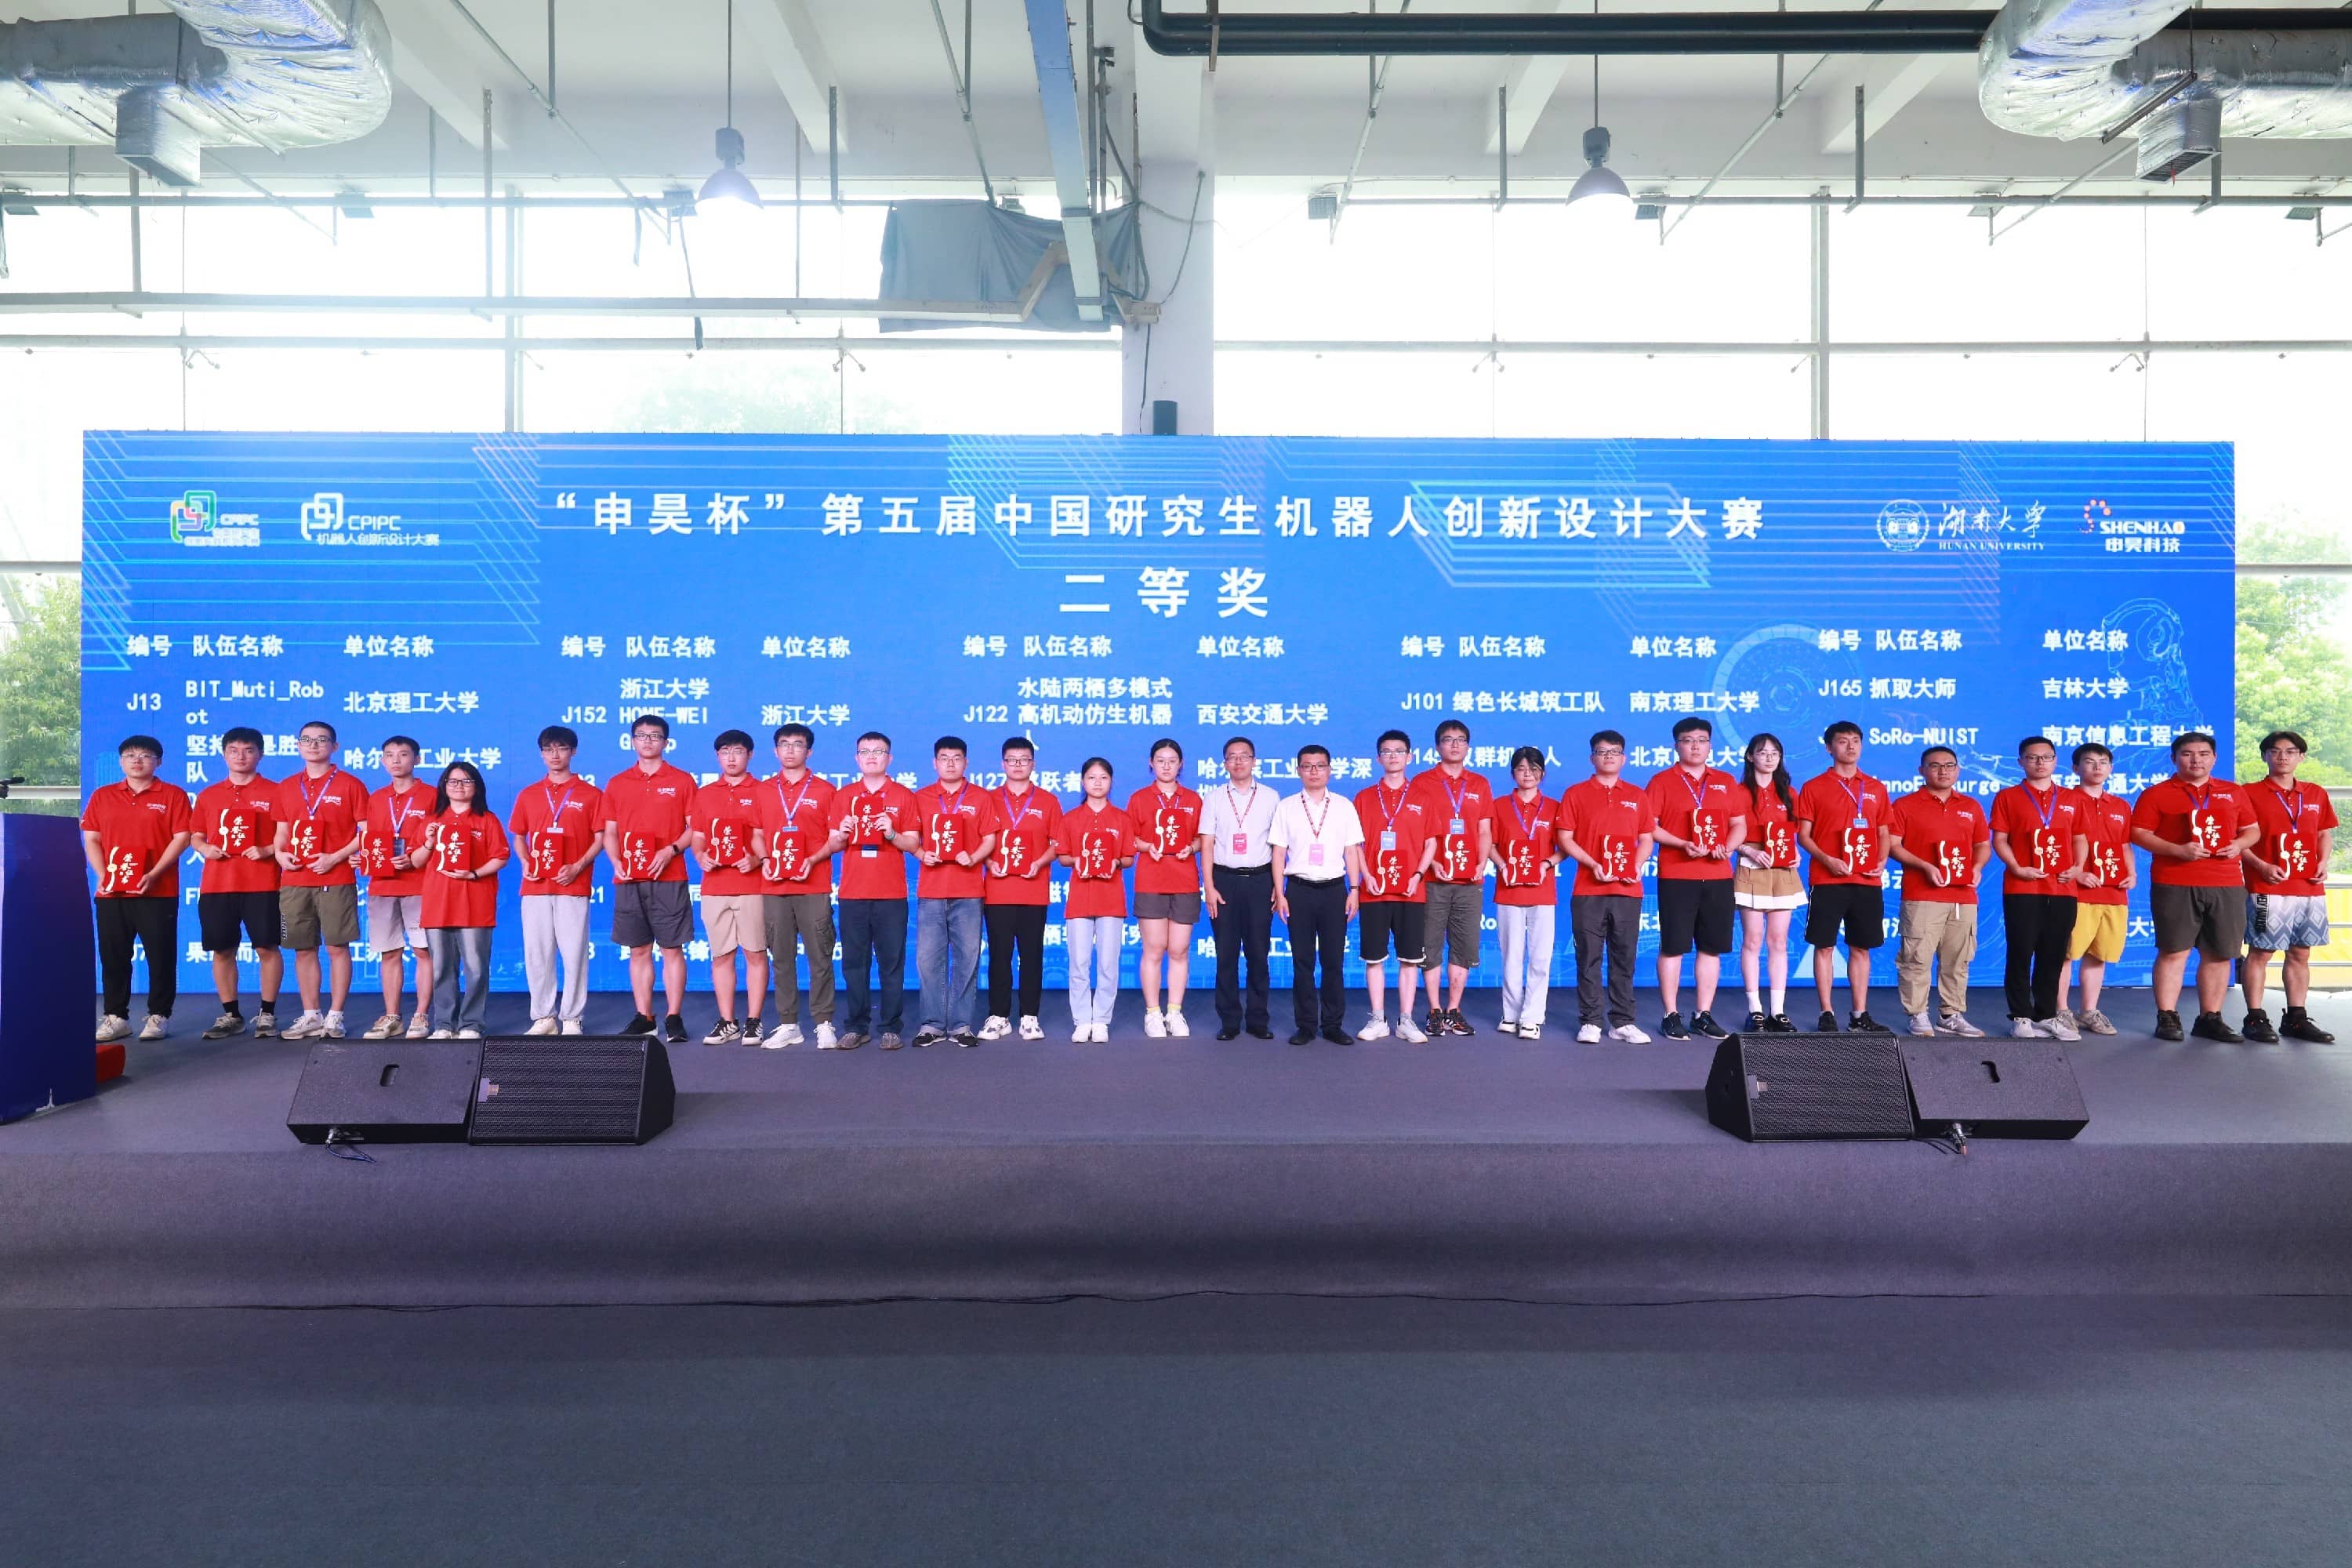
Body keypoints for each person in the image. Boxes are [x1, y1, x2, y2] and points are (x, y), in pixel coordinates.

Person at [2130, 731, 2257, 1042]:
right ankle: (2167, 1017)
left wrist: (2238, 845)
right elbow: (2139, 833)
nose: (2196, 760)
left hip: (2226, 882)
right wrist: (2177, 850)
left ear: (2214, 758)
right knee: (2174, 951)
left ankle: (2210, 1018)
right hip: (2175, 882)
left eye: (2203, 754)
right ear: (2174, 758)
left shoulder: (2233, 792)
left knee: (2219, 953)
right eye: (2187, 754)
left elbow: (2252, 830)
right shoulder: (2156, 794)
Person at [83, 735, 191, 1044]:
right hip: (111, 892)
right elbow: (92, 838)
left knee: (161, 955)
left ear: (159, 761)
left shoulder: (173, 795)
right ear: (121, 762)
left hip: (158, 891)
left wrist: (154, 874)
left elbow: (182, 837)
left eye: (145, 755)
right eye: (130, 755)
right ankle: (116, 1016)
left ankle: (159, 1015)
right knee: (113, 955)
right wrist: (104, 875)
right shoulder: (103, 796)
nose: (137, 760)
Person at [1645, 717, 1746, 1040]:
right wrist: (1682, 843)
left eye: (1702, 740)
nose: (1695, 746)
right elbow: (1650, 827)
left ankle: (1703, 1014)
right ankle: (1670, 1014)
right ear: (1676, 746)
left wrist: (1727, 847)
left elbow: (1739, 825)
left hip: (1718, 875)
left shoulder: (1726, 781)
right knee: (1673, 947)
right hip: (1678, 874)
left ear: (1710, 745)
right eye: (1688, 740)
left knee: (1711, 948)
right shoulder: (1662, 781)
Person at [601, 713, 697, 1043]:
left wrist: (671, 850)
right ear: (632, 741)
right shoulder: (617, 783)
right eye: (641, 735)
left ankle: (674, 1016)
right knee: (638, 950)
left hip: (670, 877)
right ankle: (645, 1016)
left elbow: (694, 828)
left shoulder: (682, 780)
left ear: (666, 742)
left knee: (672, 949)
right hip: (629, 879)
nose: (648, 741)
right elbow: (610, 831)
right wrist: (616, 861)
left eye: (655, 736)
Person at [2239, 729, 2338, 1044]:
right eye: (2275, 751)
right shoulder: (2248, 793)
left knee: (2300, 952)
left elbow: (2323, 834)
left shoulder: (2315, 793)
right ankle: (2255, 1018)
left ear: (2301, 757)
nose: (2283, 757)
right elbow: (2237, 840)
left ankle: (2296, 1018)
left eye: (2291, 751)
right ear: (2265, 756)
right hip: (2267, 886)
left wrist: (2323, 862)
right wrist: (2261, 866)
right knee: (2261, 951)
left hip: (2308, 886)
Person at [1884, 746, 1991, 1038]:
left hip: (1964, 896)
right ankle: (1917, 1013)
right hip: (1922, 894)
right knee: (1916, 957)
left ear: (1958, 770)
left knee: (1958, 959)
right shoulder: (1905, 805)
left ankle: (1951, 1014)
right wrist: (1925, 866)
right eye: (1935, 765)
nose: (1943, 771)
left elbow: (1982, 845)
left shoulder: (1971, 806)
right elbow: (1893, 845)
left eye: (1949, 765)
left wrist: (1977, 867)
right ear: (1921, 770)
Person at [824, 731, 921, 1051]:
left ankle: (891, 1026)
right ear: (857, 758)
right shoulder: (844, 796)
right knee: (854, 963)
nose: (871, 757)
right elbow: (833, 843)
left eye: (878, 752)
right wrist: (843, 834)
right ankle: (856, 1026)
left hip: (891, 894)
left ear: (889, 758)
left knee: (891, 963)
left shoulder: (903, 796)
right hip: (853, 892)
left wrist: (892, 833)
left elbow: (913, 844)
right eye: (865, 752)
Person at [272, 720, 369, 1041]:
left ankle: (335, 1016)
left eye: (321, 739)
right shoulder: (286, 786)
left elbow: (365, 833)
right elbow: (282, 831)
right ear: (298, 745)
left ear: (335, 746)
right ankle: (311, 1014)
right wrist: (280, 854)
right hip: (295, 879)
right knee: (303, 948)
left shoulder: (351, 785)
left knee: (337, 947)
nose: (313, 745)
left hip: (336, 876)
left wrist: (335, 857)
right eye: (307, 739)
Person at [1795, 720, 1893, 1033]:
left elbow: (1883, 832)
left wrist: (1882, 861)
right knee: (1824, 946)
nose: (1850, 746)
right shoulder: (1814, 787)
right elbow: (1804, 835)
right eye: (1842, 741)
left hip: (1866, 880)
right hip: (1828, 879)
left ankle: (1859, 1014)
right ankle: (1826, 1012)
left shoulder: (1876, 788)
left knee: (1861, 947)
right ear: (1829, 747)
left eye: (1855, 741)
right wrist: (1827, 860)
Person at [1559, 728, 1656, 1044]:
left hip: (1628, 889)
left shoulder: (1637, 795)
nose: (1609, 757)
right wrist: (1593, 864)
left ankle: (1623, 1022)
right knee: (1588, 956)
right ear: (1592, 758)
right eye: (1602, 752)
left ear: (1624, 758)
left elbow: (1647, 838)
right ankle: (1590, 1021)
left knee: (1624, 956)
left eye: (1614, 752)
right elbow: (1565, 838)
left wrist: (1636, 865)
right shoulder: (1576, 793)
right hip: (1589, 889)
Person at [507, 724, 604, 1037]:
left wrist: (578, 866)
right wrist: (525, 862)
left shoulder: (591, 794)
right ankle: (543, 1017)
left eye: (561, 748)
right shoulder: (529, 794)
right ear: (541, 754)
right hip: (535, 886)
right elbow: (519, 835)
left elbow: (601, 838)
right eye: (548, 749)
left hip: (572, 885)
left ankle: (573, 1016)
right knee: (537, 953)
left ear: (573, 751)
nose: (555, 755)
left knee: (574, 952)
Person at [1989, 735, 2087, 1041]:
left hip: (2063, 889)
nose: (2040, 763)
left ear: (2055, 761)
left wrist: (2078, 867)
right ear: (2021, 762)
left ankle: (2046, 1015)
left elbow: (2080, 838)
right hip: (2022, 887)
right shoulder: (2008, 797)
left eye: (2046, 757)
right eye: (2032, 758)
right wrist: (2016, 867)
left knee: (2053, 954)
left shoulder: (2072, 798)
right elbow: (2000, 840)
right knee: (2021, 952)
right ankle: (2021, 1016)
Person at [191, 726, 285, 1040]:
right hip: (217, 884)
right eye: (233, 750)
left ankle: (267, 1014)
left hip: (263, 883)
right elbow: (196, 835)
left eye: (248, 750)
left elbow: (288, 836)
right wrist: (204, 848)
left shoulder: (276, 792)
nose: (241, 756)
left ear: (261, 754)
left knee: (267, 947)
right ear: (224, 755)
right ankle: (231, 1014)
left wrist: (267, 850)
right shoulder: (209, 795)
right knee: (222, 950)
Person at [1270, 743, 1365, 1046]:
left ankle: (1333, 1024)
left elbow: (1352, 851)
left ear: (1329, 770)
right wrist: (1280, 893)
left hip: (1334, 890)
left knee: (1333, 961)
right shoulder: (1286, 806)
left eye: (1320, 765)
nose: (1314, 771)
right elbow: (1278, 853)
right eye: (1308, 766)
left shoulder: (1343, 806)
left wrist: (1354, 889)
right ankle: (1306, 1025)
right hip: (1298, 890)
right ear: (1298, 770)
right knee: (1303, 961)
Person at [913, 736, 999, 1047]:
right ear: (934, 763)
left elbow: (990, 839)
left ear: (966, 762)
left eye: (957, 758)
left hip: (969, 891)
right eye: (944, 758)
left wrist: (974, 857)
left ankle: (961, 1025)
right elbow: (911, 837)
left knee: (967, 960)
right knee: (928, 962)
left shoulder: (981, 797)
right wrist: (921, 853)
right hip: (932, 891)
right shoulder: (921, 797)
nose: (950, 763)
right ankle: (932, 1024)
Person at [1410, 720, 1494, 1036]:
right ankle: (1434, 1010)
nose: (1455, 745)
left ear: (1468, 746)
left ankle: (1453, 1010)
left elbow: (1484, 830)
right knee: (1430, 947)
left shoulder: (1480, 784)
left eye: (1461, 740)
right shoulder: (1422, 782)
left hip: (1470, 882)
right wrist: (1431, 864)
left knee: (1464, 947)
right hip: (1433, 881)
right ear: (1437, 746)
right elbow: (1415, 831)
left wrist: (1482, 863)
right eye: (1448, 740)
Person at [413, 760, 508, 1040]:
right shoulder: (431, 821)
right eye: (453, 781)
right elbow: (416, 861)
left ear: (476, 787)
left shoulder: (487, 820)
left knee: (476, 969)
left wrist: (474, 873)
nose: (459, 786)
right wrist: (429, 842)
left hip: (475, 904)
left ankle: (471, 1024)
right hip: (438, 905)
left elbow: (501, 856)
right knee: (442, 968)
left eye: (466, 781)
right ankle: (444, 1024)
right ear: (444, 786)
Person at [690, 729, 773, 1047]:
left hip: (752, 886)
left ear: (750, 755)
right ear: (717, 756)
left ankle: (754, 1020)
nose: (731, 758)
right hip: (714, 887)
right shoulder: (705, 793)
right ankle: (728, 1022)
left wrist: (757, 859)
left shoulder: (763, 791)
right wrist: (700, 856)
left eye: (738, 751)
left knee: (755, 953)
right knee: (721, 956)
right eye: (725, 752)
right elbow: (698, 836)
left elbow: (767, 836)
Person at [759, 723, 840, 1048]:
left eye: (798, 744)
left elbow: (837, 838)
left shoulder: (825, 790)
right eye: (784, 744)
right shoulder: (763, 790)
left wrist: (813, 859)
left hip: (813, 884)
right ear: (775, 750)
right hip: (774, 886)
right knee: (781, 957)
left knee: (820, 956)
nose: (790, 750)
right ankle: (789, 1023)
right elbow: (755, 834)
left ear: (809, 751)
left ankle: (824, 1022)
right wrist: (765, 858)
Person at [1353, 729, 1435, 1043]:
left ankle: (1406, 1020)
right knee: (1374, 957)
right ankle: (1378, 1018)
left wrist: (1417, 875)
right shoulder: (1364, 797)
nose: (1393, 756)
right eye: (1386, 751)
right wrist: (1366, 875)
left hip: (1411, 891)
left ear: (1409, 757)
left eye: (1399, 751)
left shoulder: (1423, 797)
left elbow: (1430, 843)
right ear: (1378, 758)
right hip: (1373, 891)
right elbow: (1356, 845)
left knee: (1409, 958)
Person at [981, 735, 1060, 1043]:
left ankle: (1029, 1016)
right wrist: (989, 862)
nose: (1017, 765)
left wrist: (1039, 863)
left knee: (1031, 955)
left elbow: (1058, 844)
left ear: (1033, 764)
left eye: (1024, 760)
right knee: (999, 956)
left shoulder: (1048, 801)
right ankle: (999, 1016)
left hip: (1033, 891)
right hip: (997, 891)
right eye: (1012, 760)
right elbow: (978, 841)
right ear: (1003, 764)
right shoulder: (988, 799)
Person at [1200, 735, 1279, 1041]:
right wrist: (1209, 886)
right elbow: (1207, 845)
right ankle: (1229, 1020)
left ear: (1254, 761)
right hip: (1225, 881)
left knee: (1259, 953)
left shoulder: (1271, 797)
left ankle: (1258, 1019)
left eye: (1244, 756)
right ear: (1225, 764)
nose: (1238, 761)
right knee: (1226, 954)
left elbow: (1279, 846)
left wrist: (1278, 885)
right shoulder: (1214, 797)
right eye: (1232, 757)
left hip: (1260, 880)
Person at [1127, 739, 1204, 1038]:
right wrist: (1147, 847)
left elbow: (1201, 838)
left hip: (1185, 881)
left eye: (1172, 761)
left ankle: (1174, 1011)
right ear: (1151, 763)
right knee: (1154, 948)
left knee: (1179, 949)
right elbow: (1130, 838)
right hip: (1152, 881)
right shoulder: (1139, 799)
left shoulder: (1193, 799)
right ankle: (1152, 1013)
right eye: (1161, 760)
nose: (1167, 766)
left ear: (1181, 764)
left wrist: (1191, 848)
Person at [358, 735, 434, 1041]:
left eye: (403, 754)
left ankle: (421, 1015)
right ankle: (392, 1017)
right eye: (390, 755)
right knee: (389, 952)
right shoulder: (376, 798)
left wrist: (414, 857)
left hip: (421, 884)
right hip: (382, 885)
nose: (396, 760)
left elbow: (439, 839)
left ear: (417, 759)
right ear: (382, 761)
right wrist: (361, 856)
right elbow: (369, 840)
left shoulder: (432, 796)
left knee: (424, 950)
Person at [1056, 757, 1135, 1042]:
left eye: (1103, 777)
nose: (1098, 782)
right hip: (1080, 899)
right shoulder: (1071, 818)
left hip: (1111, 898)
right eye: (1092, 777)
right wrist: (1076, 860)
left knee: (1108, 963)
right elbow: (1063, 856)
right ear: (1083, 782)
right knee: (1079, 962)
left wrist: (1115, 863)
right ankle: (1081, 1020)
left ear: (1111, 781)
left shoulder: (1122, 819)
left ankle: (1101, 1019)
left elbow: (1128, 857)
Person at [2057, 742, 2133, 1038]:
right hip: (2076, 892)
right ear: (2075, 768)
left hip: (2113, 893)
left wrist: (2131, 873)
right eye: (2089, 762)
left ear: (2111, 768)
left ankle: (2088, 1011)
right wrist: (2078, 872)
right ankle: (2060, 1010)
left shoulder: (2120, 805)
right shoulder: (2064, 801)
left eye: (2103, 762)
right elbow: (2056, 844)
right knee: (2066, 953)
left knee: (2099, 954)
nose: (2097, 767)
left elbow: (2124, 845)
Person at [1732, 732, 1806, 1033]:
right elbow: (1729, 833)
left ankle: (1778, 1011)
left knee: (1778, 941)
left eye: (1775, 753)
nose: (1769, 758)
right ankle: (1755, 1010)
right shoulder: (1738, 792)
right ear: (1750, 757)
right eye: (1762, 753)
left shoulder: (1788, 792)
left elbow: (1793, 834)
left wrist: (1795, 854)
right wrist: (1748, 850)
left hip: (1782, 870)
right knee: (1752, 940)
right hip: (1751, 866)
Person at [1488, 746, 1563, 1040]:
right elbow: (1490, 844)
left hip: (1543, 892)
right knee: (1511, 956)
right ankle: (1510, 1014)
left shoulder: (1554, 807)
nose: (1527, 774)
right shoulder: (1498, 806)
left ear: (1542, 774)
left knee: (1540, 957)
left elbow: (1565, 847)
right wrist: (1502, 865)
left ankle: (1531, 1017)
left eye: (1533, 769)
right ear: (1512, 774)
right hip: (1509, 890)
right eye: (1521, 769)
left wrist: (1547, 863)